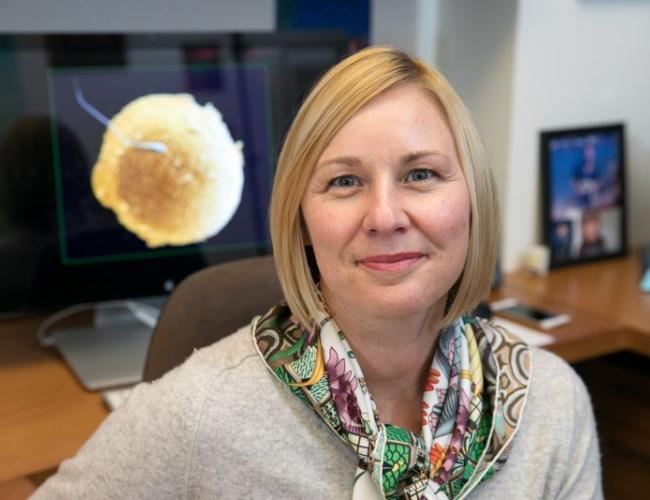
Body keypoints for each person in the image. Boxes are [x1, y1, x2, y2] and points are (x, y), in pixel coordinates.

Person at [33, 46, 602, 499]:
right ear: (301, 220)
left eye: (421, 174)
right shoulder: (197, 416)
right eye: (344, 182)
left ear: (473, 200)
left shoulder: (550, 405)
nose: (385, 216)